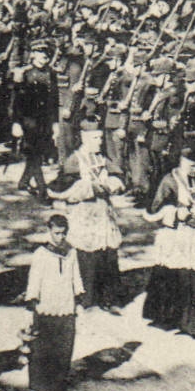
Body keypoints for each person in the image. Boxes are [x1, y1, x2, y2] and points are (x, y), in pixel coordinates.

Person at [48, 116, 127, 313]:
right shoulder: (75, 160)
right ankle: (86, 298)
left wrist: (113, 184)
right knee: (86, 256)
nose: (99, 142)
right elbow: (61, 188)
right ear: (83, 138)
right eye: (94, 138)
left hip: (102, 213)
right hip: (84, 215)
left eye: (100, 138)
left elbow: (118, 175)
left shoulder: (102, 158)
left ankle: (109, 298)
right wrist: (89, 188)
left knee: (108, 254)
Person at [141, 144, 195, 339]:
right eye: (192, 167)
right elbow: (155, 209)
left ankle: (192, 325)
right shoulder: (169, 181)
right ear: (183, 163)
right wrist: (174, 212)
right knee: (174, 277)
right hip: (176, 235)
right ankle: (169, 318)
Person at [21, 213, 85, 391]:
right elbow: (34, 282)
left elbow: (76, 278)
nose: (61, 237)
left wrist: (78, 302)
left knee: (64, 347)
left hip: (66, 307)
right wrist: (31, 305)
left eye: (64, 233)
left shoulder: (72, 252)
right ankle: (40, 383)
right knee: (43, 347)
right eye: (57, 233)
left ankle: (58, 383)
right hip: (45, 308)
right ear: (49, 231)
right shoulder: (41, 254)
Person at [10, 40, 59, 200]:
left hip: (44, 120)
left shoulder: (51, 73)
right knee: (35, 154)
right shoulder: (24, 74)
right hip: (28, 119)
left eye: (46, 55)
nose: (43, 58)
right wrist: (16, 122)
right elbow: (15, 101)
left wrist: (55, 123)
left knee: (36, 153)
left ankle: (24, 182)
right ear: (33, 55)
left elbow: (54, 100)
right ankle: (42, 190)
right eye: (39, 54)